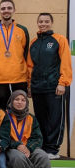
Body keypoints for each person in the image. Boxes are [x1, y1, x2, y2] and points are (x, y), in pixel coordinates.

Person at [27, 12, 72, 160]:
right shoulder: (34, 42)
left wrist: (62, 83)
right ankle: (43, 146)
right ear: (37, 23)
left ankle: (53, 149)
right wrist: (29, 86)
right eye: (40, 21)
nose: (43, 24)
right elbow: (29, 66)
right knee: (40, 119)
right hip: (37, 88)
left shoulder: (59, 40)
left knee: (55, 119)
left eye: (46, 21)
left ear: (51, 23)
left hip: (55, 87)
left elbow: (65, 63)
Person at [5, 90, 50, 168]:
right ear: (11, 102)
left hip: (28, 148)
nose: (20, 102)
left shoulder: (31, 118)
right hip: (11, 148)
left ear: (26, 103)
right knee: (19, 158)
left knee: (43, 156)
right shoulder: (4, 117)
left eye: (23, 100)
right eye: (16, 99)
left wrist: (28, 148)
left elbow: (38, 138)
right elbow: (2, 137)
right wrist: (17, 145)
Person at [0, 0, 29, 109]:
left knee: (20, 110)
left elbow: (26, 54)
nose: (6, 11)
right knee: (0, 111)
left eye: (9, 8)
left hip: (20, 78)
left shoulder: (22, 30)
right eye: (3, 8)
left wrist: (28, 78)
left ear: (14, 10)